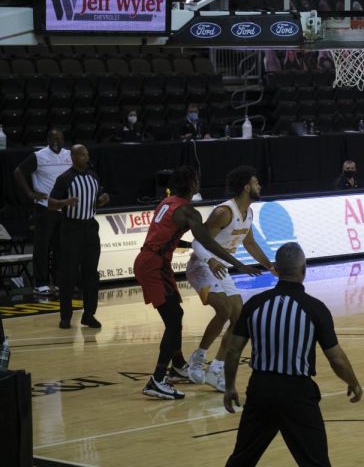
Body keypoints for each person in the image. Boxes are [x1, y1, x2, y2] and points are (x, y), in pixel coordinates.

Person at [223, 242, 362, 467]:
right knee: (315, 462)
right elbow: (335, 357)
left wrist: (230, 386)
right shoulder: (315, 308)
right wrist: (352, 381)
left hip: (260, 390)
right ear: (303, 270)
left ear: (275, 268)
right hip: (297, 393)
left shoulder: (255, 304)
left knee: (242, 459)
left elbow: (232, 351)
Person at [134, 166, 249, 400]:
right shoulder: (188, 211)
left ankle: (177, 366)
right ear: (192, 183)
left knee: (176, 312)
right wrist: (237, 263)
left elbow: (166, 235)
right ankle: (157, 379)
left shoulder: (167, 202)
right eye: (197, 180)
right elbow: (208, 243)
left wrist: (185, 246)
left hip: (155, 261)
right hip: (153, 265)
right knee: (174, 320)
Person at [186, 167, 272, 392]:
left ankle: (216, 369)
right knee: (224, 310)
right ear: (246, 187)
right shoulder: (224, 212)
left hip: (221, 268)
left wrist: (270, 266)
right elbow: (198, 241)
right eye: (256, 183)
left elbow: (250, 244)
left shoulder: (249, 213)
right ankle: (198, 358)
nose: (259, 186)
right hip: (202, 266)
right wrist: (211, 260)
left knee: (238, 316)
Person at [47, 145, 109, 329]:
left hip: (90, 227)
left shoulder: (93, 175)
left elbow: (98, 197)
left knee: (92, 274)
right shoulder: (65, 178)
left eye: (87, 154)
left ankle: (89, 314)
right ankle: (65, 317)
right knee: (68, 274)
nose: (86, 157)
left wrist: (103, 199)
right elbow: (50, 203)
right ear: (73, 157)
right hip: (70, 228)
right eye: (82, 154)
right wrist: (65, 202)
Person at [13, 128, 71, 295]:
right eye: (53, 138)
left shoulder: (68, 155)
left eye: (59, 138)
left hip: (64, 208)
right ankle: (41, 283)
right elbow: (18, 172)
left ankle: (58, 281)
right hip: (45, 207)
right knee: (42, 247)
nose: (56, 141)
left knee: (61, 247)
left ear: (63, 139)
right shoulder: (39, 156)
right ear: (47, 139)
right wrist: (31, 194)